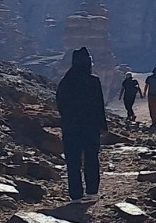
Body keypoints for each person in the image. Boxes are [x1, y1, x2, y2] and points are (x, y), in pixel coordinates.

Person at [56, 47, 105, 203]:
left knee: (73, 161)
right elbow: (99, 105)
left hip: (71, 127)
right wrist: (102, 126)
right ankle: (92, 192)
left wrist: (66, 120)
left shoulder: (66, 82)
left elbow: (60, 104)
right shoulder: (93, 81)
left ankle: (75, 195)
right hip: (91, 127)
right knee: (91, 158)